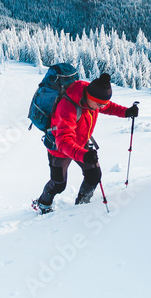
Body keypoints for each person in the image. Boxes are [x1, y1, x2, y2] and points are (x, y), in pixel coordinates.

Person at [33, 72, 138, 214]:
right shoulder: (68, 107)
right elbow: (63, 141)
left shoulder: (93, 100)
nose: (101, 107)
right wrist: (84, 155)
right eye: (99, 104)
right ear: (90, 97)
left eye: (103, 104)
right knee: (58, 184)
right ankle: (43, 203)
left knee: (94, 175)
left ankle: (83, 206)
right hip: (59, 149)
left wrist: (126, 112)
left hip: (81, 143)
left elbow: (109, 107)